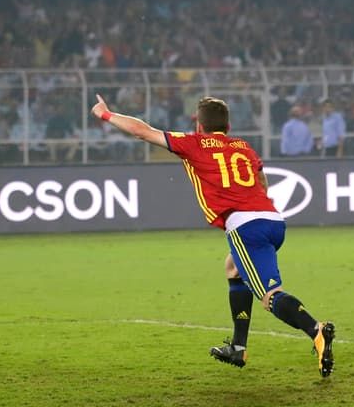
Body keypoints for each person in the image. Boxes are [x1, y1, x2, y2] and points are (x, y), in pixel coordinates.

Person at [90, 93, 335, 377]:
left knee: (269, 296)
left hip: (246, 227)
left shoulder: (193, 143)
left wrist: (105, 114)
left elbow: (141, 131)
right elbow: (261, 180)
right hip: (272, 219)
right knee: (233, 267)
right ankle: (238, 348)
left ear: (199, 126)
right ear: (228, 128)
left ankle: (316, 330)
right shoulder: (243, 146)